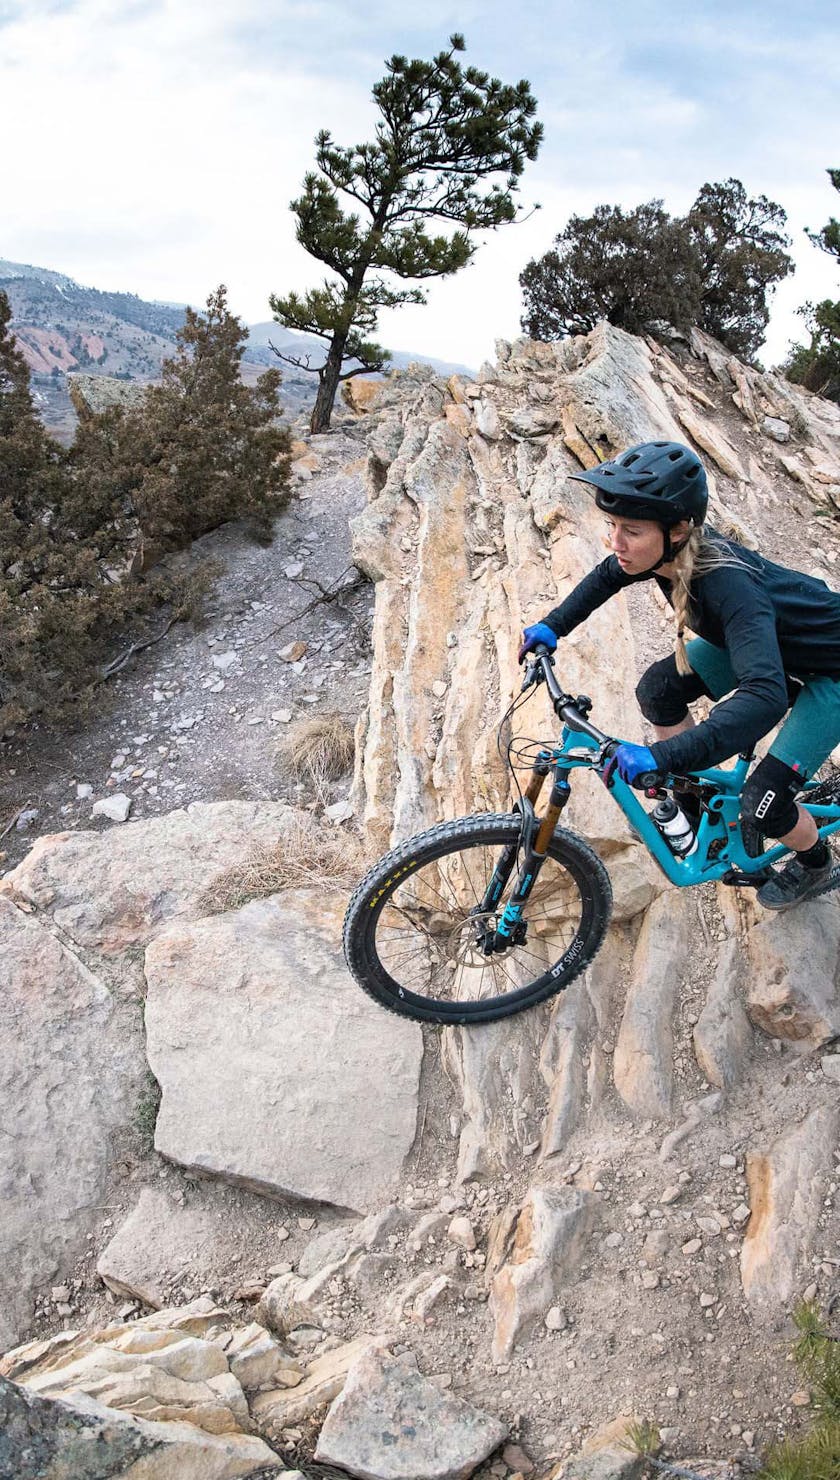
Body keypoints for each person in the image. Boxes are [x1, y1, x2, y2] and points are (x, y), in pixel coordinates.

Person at [518, 440, 840, 910]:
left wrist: (663, 757)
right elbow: (607, 576)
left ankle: (817, 864)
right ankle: (697, 802)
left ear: (679, 527)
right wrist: (553, 626)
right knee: (658, 690)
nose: (615, 542)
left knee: (762, 802)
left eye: (631, 530)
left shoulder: (729, 585)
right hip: (766, 647)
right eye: (612, 526)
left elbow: (765, 696)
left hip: (829, 671)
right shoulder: (662, 553)